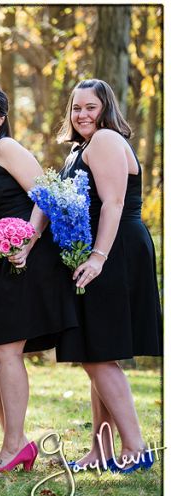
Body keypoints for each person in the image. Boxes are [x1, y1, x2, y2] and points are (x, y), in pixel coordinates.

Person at [0, 85, 77, 472]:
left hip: (29, 255)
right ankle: (19, 440)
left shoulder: (7, 149)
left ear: (1, 119)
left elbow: (47, 195)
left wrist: (28, 239)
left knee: (6, 350)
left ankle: (12, 446)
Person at [53, 79, 162, 472]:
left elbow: (113, 203)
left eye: (91, 107)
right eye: (76, 108)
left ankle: (136, 448)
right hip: (99, 248)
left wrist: (98, 258)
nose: (82, 114)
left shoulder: (105, 140)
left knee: (98, 353)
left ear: (106, 109)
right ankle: (101, 449)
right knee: (95, 351)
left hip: (115, 249)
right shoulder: (80, 148)